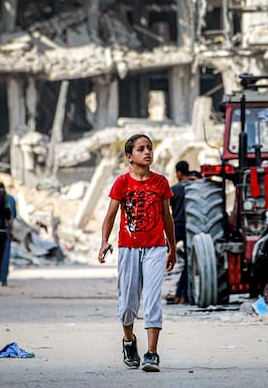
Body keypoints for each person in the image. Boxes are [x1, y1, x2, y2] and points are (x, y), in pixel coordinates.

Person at [98, 134, 176, 372]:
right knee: (128, 304)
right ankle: (129, 341)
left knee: (152, 300)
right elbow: (110, 216)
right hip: (128, 248)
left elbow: (167, 217)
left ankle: (152, 354)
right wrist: (103, 242)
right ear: (130, 157)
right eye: (141, 149)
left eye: (150, 148)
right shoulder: (122, 183)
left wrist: (171, 247)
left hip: (155, 247)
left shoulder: (161, 183)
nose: (147, 152)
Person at [168, 160, 190, 305]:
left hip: (175, 228)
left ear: (178, 173)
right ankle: (182, 295)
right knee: (188, 263)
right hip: (189, 228)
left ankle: (179, 295)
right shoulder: (194, 188)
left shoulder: (173, 190)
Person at [0, 182, 17, 286]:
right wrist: (12, 230)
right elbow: (12, 217)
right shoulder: (11, 199)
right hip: (6, 231)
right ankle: (3, 279)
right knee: (5, 255)